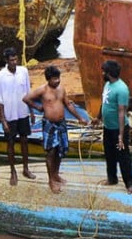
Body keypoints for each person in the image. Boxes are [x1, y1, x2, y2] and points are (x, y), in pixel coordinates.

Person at [22, 65, 88, 193]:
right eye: (54, 79)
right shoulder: (42, 90)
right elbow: (26, 98)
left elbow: (68, 104)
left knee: (60, 150)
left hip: (61, 123)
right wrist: (38, 107)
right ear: (48, 79)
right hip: (49, 124)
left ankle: (56, 174)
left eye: (58, 78)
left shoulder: (61, 89)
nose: (57, 81)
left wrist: (80, 118)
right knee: (51, 152)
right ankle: (51, 180)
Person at [0, 48, 33, 186]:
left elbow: (28, 93)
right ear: (6, 61)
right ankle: (13, 172)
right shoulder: (0, 76)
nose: (14, 62)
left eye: (16, 59)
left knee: (24, 140)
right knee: (10, 143)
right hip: (9, 116)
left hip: (23, 112)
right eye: (11, 60)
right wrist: (3, 120)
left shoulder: (24, 71)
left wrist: (32, 112)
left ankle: (26, 169)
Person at [99, 60, 132, 193]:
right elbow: (104, 102)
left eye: (104, 71)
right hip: (107, 127)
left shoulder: (121, 88)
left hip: (119, 129)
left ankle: (129, 183)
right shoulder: (107, 84)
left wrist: (120, 135)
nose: (102, 73)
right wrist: (98, 118)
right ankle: (112, 178)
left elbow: (121, 112)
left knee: (123, 155)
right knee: (109, 154)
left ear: (109, 73)